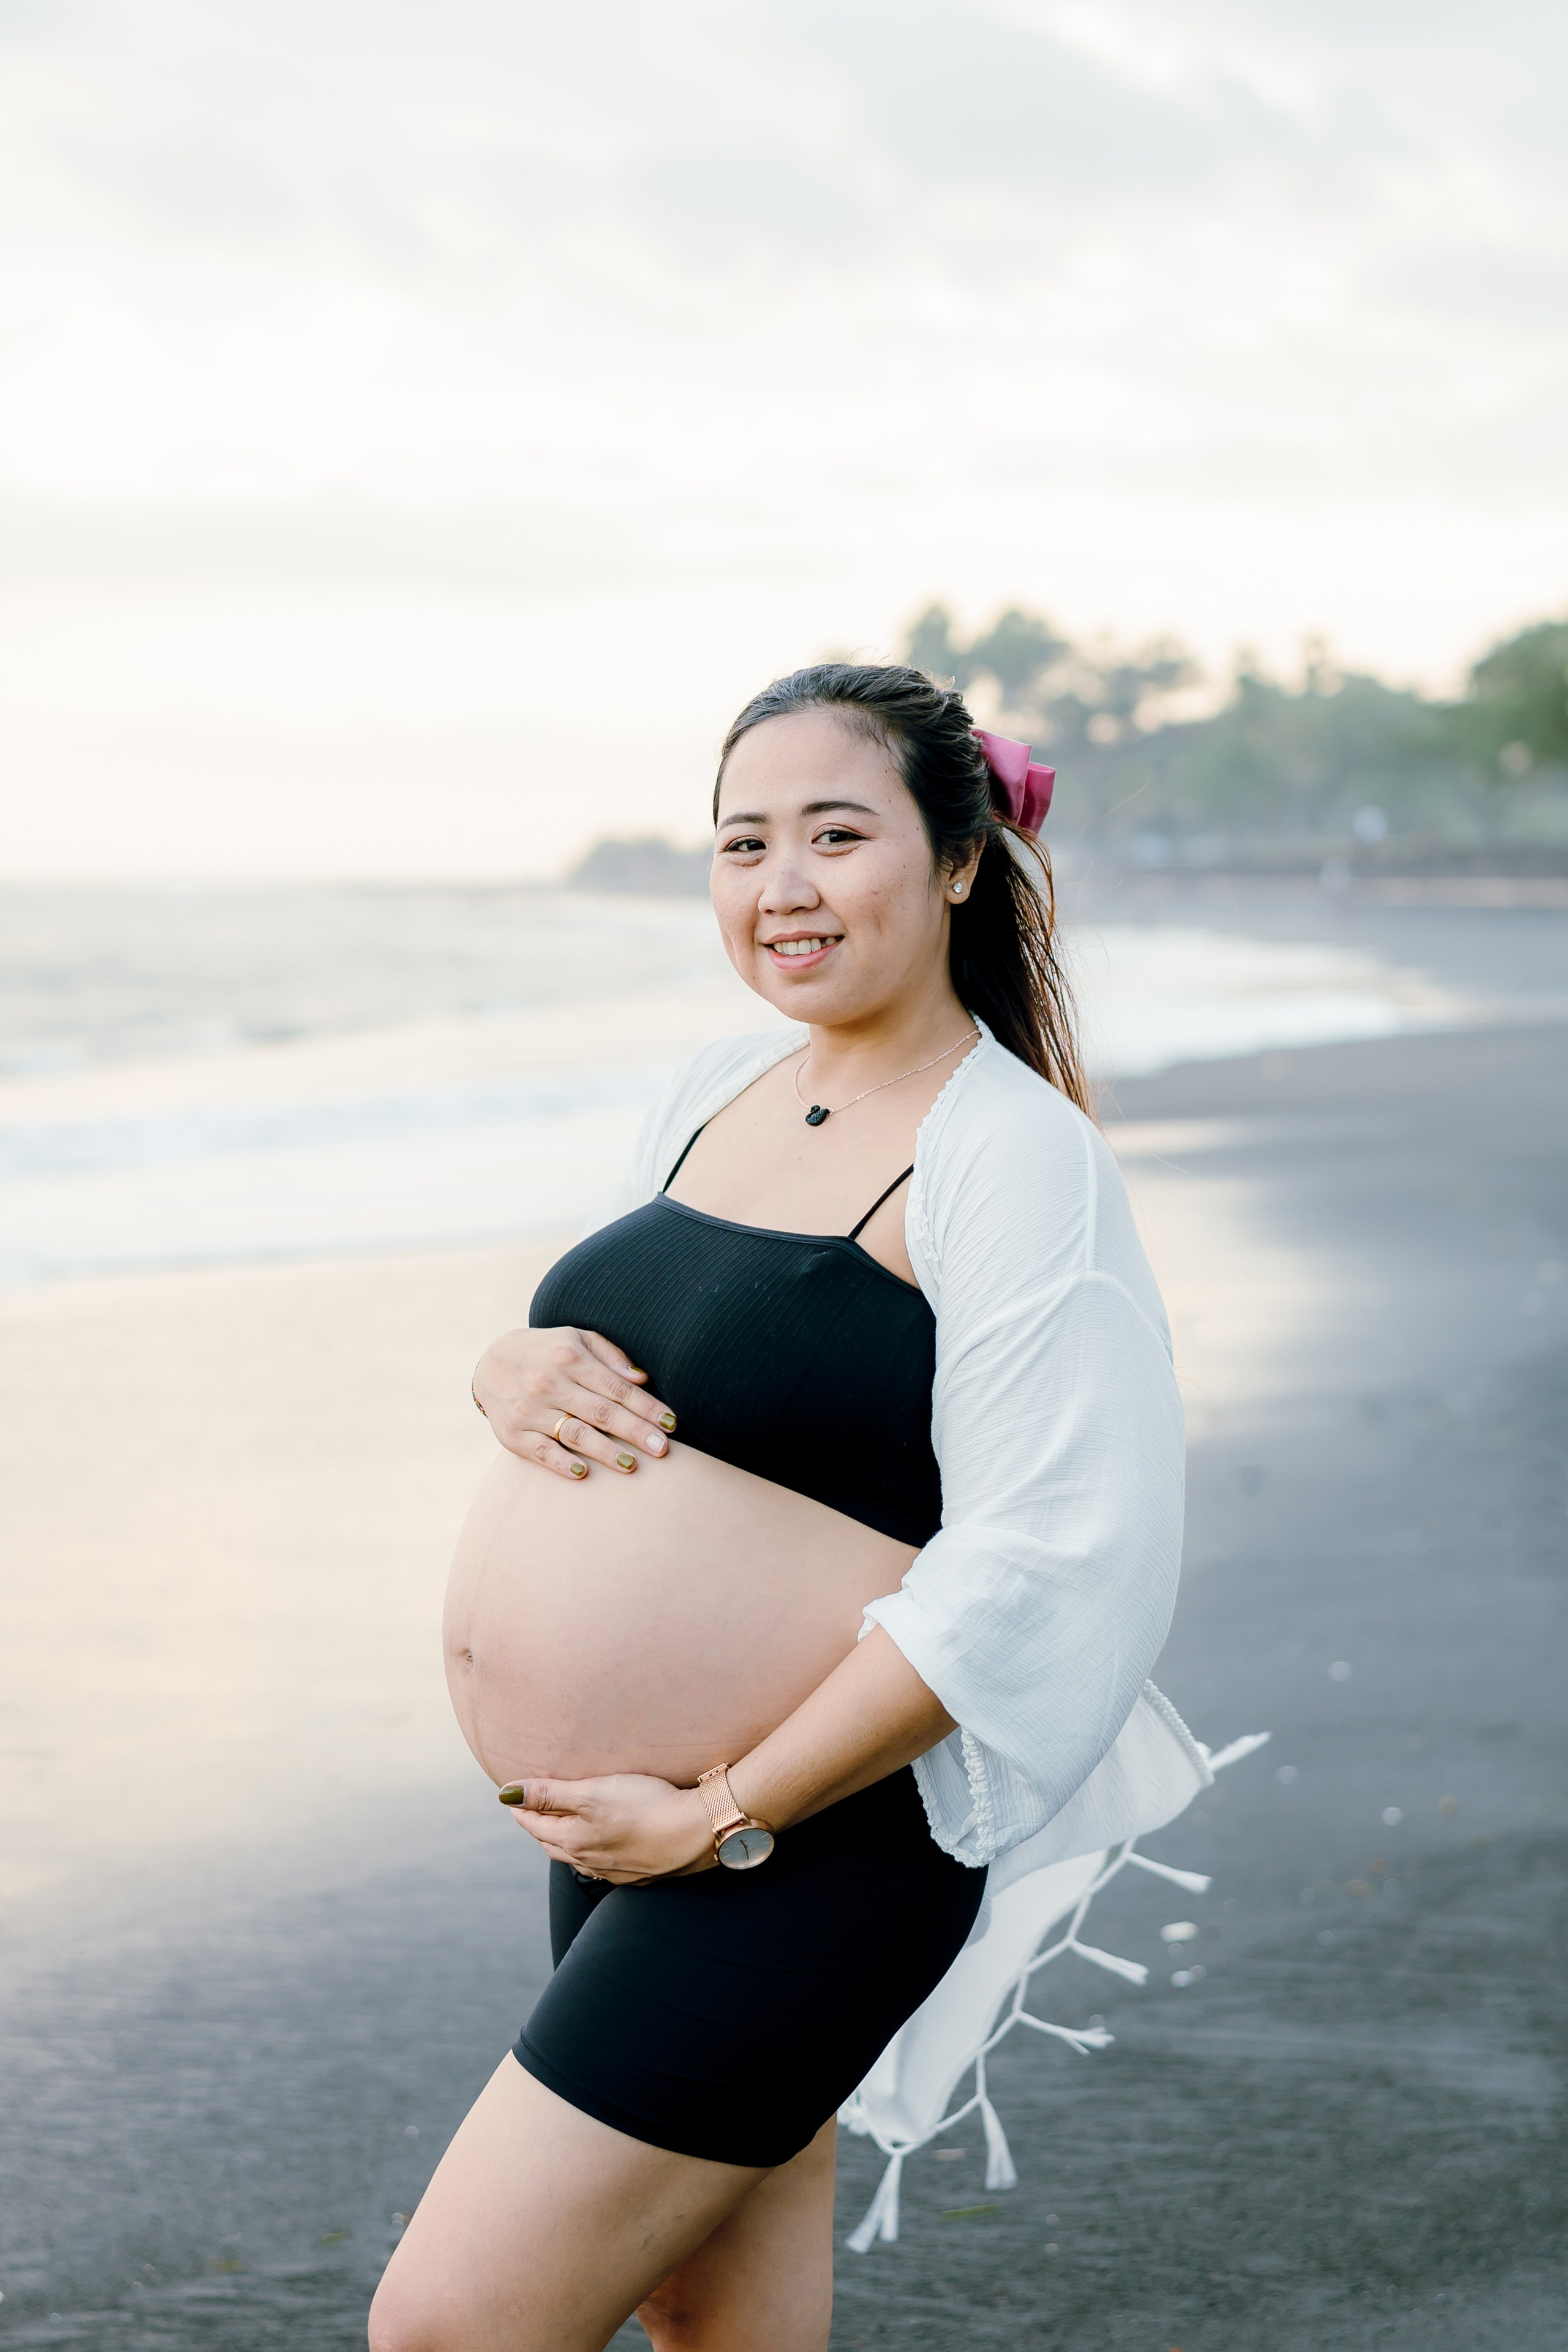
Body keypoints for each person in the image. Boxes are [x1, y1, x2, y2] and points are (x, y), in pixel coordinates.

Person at [369, 663, 1187, 2352]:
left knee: (449, 2326)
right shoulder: (711, 1090)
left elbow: (1044, 1566)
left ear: (960, 862)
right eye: (744, 844)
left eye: (835, 834)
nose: (782, 887)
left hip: (809, 1846)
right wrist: (500, 1372)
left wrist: (730, 1807)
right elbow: (618, 1359)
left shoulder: (1007, 1156)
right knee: (715, 2321)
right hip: (628, 1833)